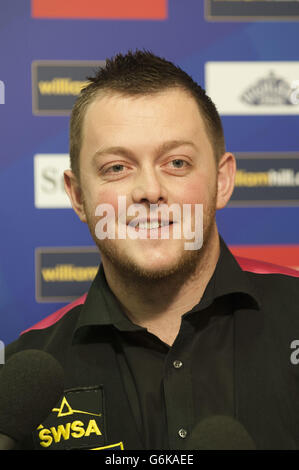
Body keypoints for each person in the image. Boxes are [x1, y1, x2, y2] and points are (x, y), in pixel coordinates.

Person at [4, 50, 299, 451]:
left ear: (223, 181)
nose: (149, 191)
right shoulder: (23, 377)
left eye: (176, 162)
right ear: (77, 196)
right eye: (116, 168)